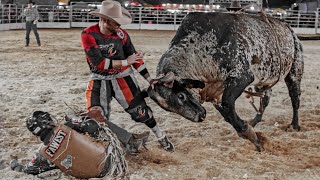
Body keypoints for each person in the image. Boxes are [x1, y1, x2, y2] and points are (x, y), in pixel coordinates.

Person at [81, 0, 175, 151]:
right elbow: (98, 63)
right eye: (116, 22)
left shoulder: (121, 35)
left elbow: (135, 57)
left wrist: (149, 79)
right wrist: (125, 61)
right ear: (105, 20)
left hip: (122, 77)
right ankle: (119, 142)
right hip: (99, 78)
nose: (119, 25)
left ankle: (161, 136)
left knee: (141, 111)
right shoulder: (88, 34)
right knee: (95, 116)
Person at [10, 111, 129, 178]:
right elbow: (93, 127)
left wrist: (14, 164)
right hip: (111, 162)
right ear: (47, 121)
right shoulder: (67, 125)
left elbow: (28, 170)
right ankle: (131, 143)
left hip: (95, 176)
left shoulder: (42, 155)